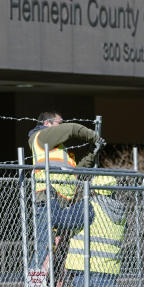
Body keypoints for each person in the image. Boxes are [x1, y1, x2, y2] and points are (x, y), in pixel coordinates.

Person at [27, 111, 101, 268]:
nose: (62, 126)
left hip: (64, 205)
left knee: (57, 253)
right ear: (47, 123)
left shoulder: (61, 151)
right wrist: (94, 135)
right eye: (59, 123)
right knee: (43, 250)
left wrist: (91, 153)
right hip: (47, 200)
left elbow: (75, 174)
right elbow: (72, 128)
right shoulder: (41, 137)